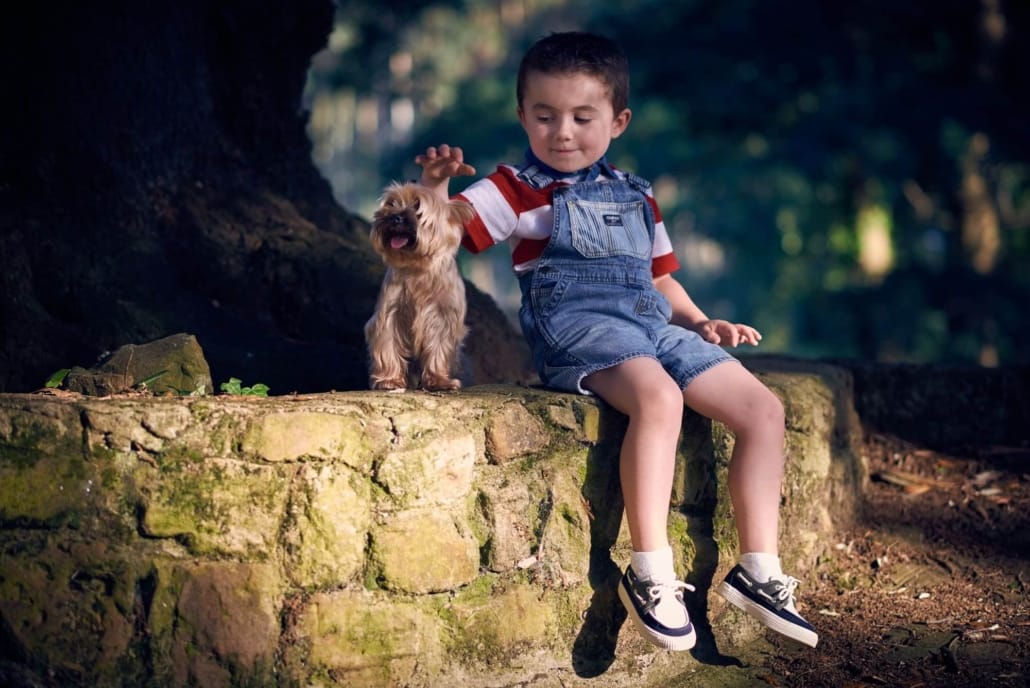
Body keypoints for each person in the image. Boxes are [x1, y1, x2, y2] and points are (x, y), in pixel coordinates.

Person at [415, 31, 817, 651]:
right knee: (659, 399)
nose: (563, 132)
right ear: (523, 115)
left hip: (651, 324)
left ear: (618, 120)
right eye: (545, 116)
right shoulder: (514, 189)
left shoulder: (638, 192)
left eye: (582, 117)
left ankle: (758, 569)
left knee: (763, 409)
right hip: (577, 330)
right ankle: (651, 568)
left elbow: (661, 277)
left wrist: (702, 322)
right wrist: (439, 190)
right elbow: (439, 237)